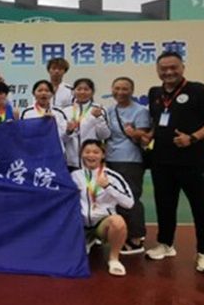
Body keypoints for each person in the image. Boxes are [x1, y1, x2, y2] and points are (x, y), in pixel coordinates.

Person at [143, 51, 204, 274]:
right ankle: (165, 244)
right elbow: (157, 121)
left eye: (173, 67)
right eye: (163, 68)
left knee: (203, 208)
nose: (168, 72)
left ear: (182, 68)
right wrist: (149, 135)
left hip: (193, 161)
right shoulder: (155, 93)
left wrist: (192, 138)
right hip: (162, 161)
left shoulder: (200, 91)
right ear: (157, 70)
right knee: (164, 205)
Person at [71, 140, 134, 277]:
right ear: (81, 154)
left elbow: (129, 203)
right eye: (87, 152)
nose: (91, 155)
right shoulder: (74, 176)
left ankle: (114, 259)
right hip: (80, 224)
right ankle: (86, 239)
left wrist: (108, 187)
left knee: (118, 222)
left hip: (101, 224)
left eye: (96, 152)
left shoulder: (112, 176)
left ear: (103, 155)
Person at [105, 77, 151, 255]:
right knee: (115, 198)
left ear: (132, 91)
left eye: (125, 89)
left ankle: (136, 237)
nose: (120, 92)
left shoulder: (140, 111)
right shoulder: (109, 110)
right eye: (117, 88)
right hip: (110, 159)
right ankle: (121, 233)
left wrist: (135, 133)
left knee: (130, 197)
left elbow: (145, 137)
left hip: (130, 160)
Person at [62, 78, 110, 171]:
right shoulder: (65, 111)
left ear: (92, 92)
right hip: (70, 161)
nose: (82, 92)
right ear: (73, 92)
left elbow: (104, 135)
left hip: (92, 159)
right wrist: (69, 131)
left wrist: (98, 119)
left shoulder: (99, 109)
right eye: (79, 89)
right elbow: (62, 139)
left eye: (86, 89)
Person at [20, 80, 68, 150]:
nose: (43, 93)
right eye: (40, 90)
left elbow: (65, 137)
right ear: (33, 93)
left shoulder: (58, 112)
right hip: (35, 151)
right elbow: (24, 134)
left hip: (55, 151)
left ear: (52, 94)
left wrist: (53, 123)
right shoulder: (27, 112)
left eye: (47, 91)